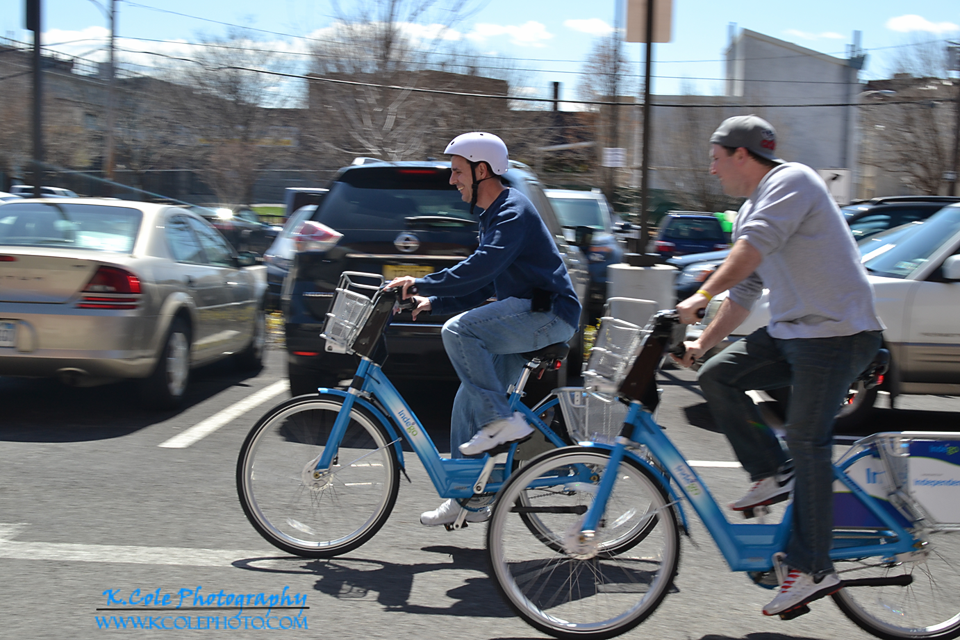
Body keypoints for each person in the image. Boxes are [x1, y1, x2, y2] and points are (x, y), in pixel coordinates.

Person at [673, 115, 883, 617]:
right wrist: (703, 343)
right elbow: (745, 292)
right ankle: (772, 469)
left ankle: (813, 567)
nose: (711, 169)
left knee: (808, 441)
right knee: (716, 375)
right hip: (794, 333)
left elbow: (749, 253)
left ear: (742, 154)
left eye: (716, 158)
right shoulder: (750, 208)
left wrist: (700, 295)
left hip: (837, 333)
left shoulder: (792, 180)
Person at [386, 132, 581, 527]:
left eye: (457, 171)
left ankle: (501, 423)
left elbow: (482, 267)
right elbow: (487, 285)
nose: (452, 180)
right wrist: (435, 302)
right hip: (526, 314)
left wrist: (421, 282)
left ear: (481, 170)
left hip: (550, 314)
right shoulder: (492, 216)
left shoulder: (513, 211)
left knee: (458, 333)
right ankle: (467, 497)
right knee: (466, 400)